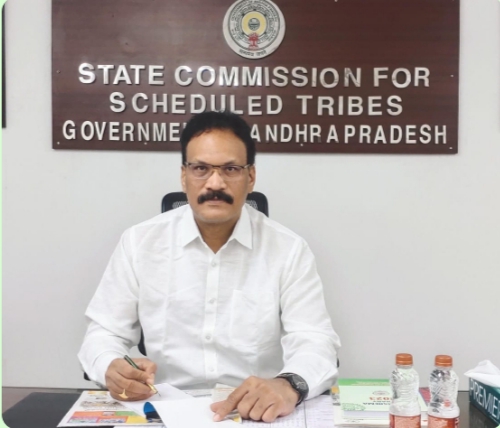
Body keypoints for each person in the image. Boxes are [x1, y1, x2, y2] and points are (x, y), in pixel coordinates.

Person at [78, 111, 341, 423]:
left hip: (257, 412)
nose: (215, 183)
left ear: (251, 177)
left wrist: (288, 385)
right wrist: (110, 365)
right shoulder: (140, 243)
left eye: (230, 169)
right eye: (201, 169)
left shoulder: (288, 249)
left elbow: (315, 340)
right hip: (165, 410)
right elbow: (103, 333)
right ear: (184, 176)